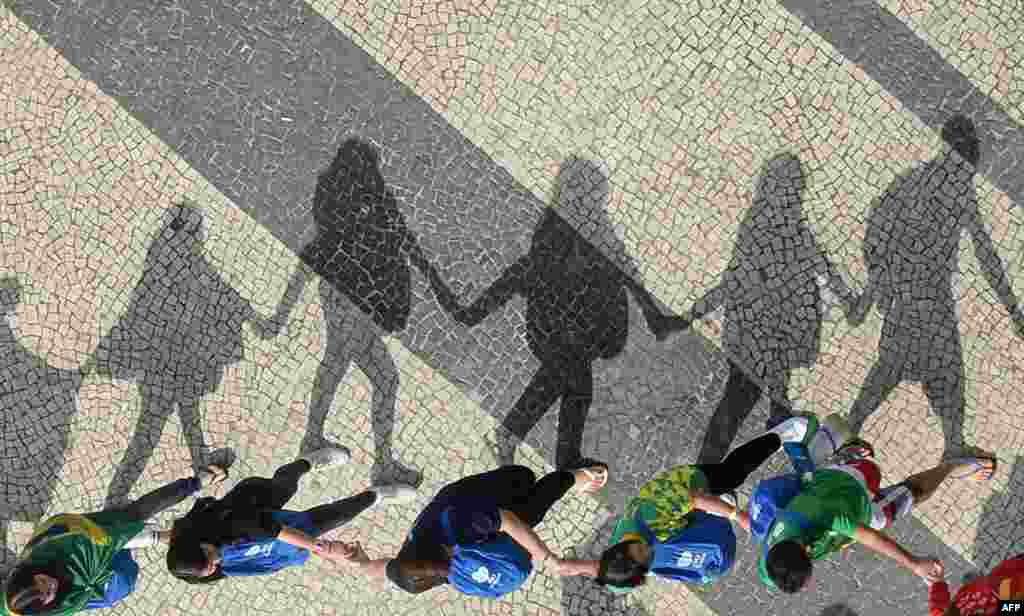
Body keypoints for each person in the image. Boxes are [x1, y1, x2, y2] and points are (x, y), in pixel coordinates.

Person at [560, 417, 813, 591]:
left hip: (688, 485)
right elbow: (599, 570)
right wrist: (567, 566)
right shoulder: (618, 562)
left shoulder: (652, 514)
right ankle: (722, 500)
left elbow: (696, 498)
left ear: (624, 547)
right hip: (680, 512)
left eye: (643, 556)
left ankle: (782, 434)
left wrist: (737, 516)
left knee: (732, 473)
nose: (651, 555)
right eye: (647, 563)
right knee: (711, 505)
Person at [340, 462, 611, 598]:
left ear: (445, 551)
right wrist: (362, 563)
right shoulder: (416, 565)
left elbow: (508, 521)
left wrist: (552, 560)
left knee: (530, 498)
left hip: (478, 502)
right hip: (469, 503)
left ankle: (578, 475)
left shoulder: (457, 525)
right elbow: (385, 569)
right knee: (519, 480)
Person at [759, 446, 996, 594]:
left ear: (803, 547)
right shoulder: (769, 571)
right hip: (827, 493)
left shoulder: (819, 514)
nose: (809, 584)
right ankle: (844, 455)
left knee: (906, 490)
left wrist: (914, 564)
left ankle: (954, 465)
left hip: (852, 486)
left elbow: (869, 537)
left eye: (807, 576)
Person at [2, 465, 228, 615]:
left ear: (29, 572)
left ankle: (194, 483)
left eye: (41, 581)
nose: (50, 584)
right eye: (47, 593)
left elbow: (111, 539)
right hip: (94, 579)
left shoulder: (62, 550)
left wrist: (158, 537)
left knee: (133, 516)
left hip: (80, 534)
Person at [166, 448, 415, 582]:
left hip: (252, 501)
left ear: (200, 543)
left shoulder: (232, 524)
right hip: (262, 528)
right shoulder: (193, 570)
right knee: (335, 516)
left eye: (210, 558)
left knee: (285, 485)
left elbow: (276, 531)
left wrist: (323, 548)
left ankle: (308, 460)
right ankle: (376, 494)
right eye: (208, 570)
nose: (214, 566)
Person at [928, 554, 1024, 615]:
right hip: (1013, 587)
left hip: (999, 577)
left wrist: (938, 581)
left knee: (1013, 565)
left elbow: (937, 606)